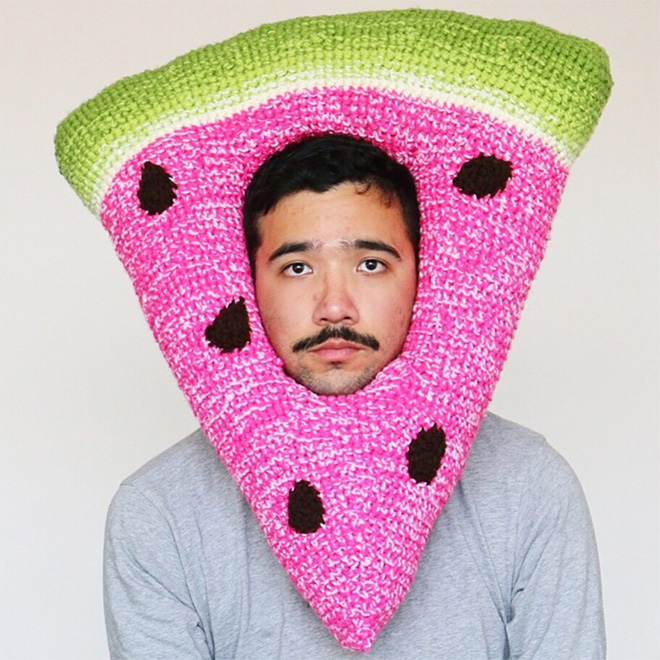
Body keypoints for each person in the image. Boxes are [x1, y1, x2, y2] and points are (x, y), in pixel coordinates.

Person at [54, 8, 611, 658]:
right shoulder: (158, 514)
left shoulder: (528, 487)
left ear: (425, 280)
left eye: (370, 263)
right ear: (247, 285)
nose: (334, 304)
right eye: (297, 267)